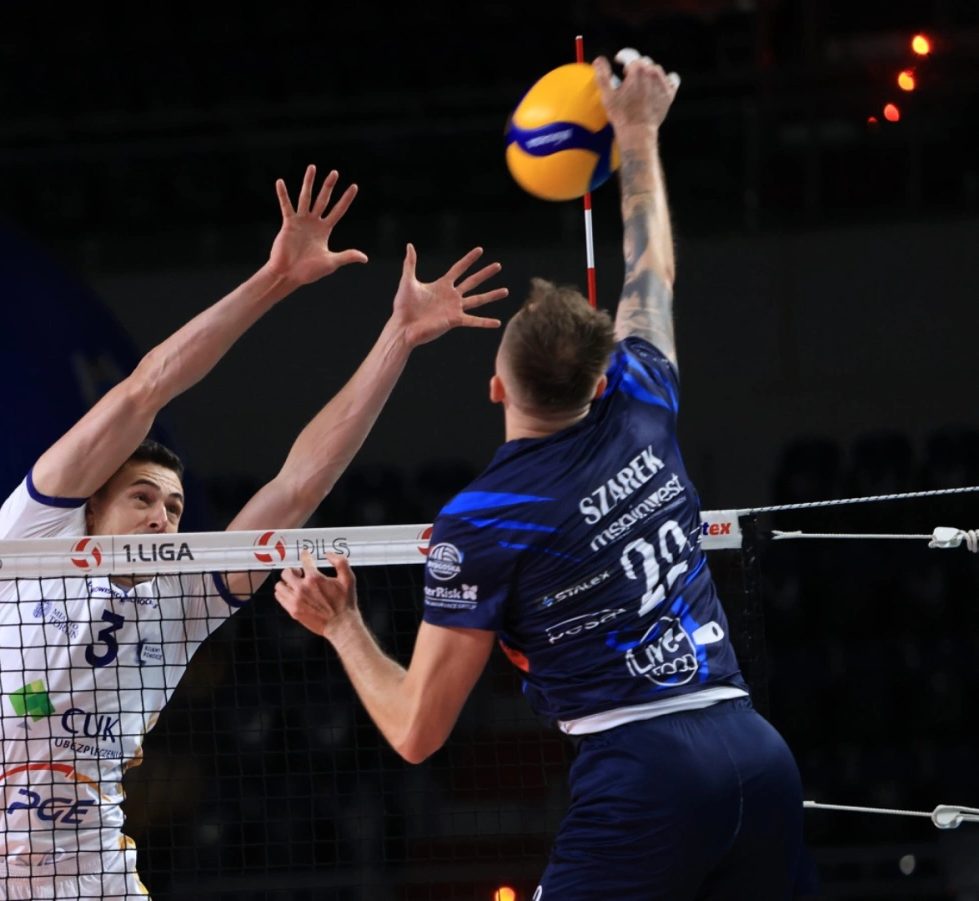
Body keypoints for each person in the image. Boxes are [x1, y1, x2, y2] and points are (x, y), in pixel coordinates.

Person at [274, 51, 805, 899]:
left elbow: (416, 731)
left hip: (645, 776)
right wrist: (638, 131)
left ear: (496, 388)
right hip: (757, 752)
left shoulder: (483, 517)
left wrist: (341, 626)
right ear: (599, 379)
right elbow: (652, 271)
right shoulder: (643, 401)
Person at [0, 165, 509, 900]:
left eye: (174, 508)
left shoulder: (179, 604)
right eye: (142, 497)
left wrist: (398, 337)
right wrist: (275, 279)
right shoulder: (29, 541)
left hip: (99, 880)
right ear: (91, 510)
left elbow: (298, 486)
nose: (161, 517)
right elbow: (146, 387)